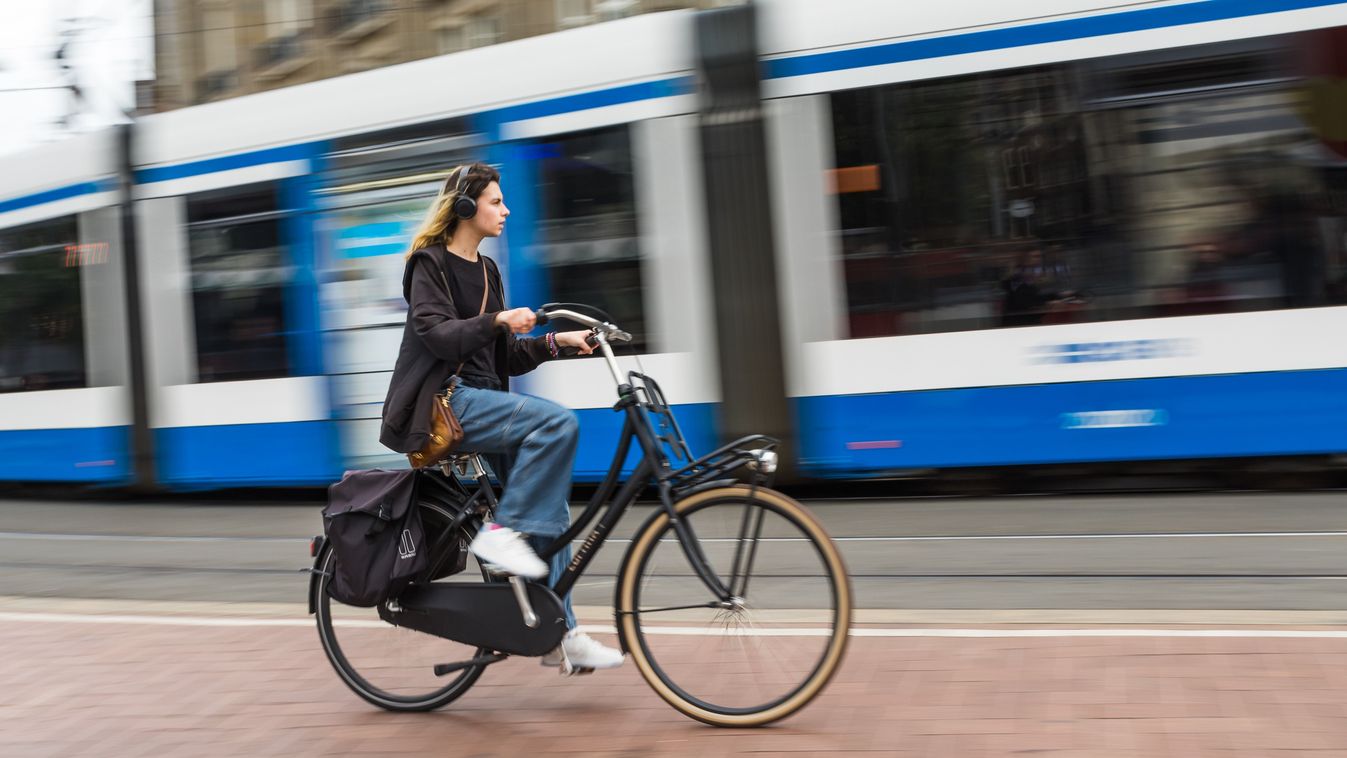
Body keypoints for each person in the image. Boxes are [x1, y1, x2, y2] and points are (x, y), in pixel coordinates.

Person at [379, 162, 623, 671]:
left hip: (485, 400)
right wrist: (496, 319)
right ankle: (501, 534)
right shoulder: (430, 264)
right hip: (449, 401)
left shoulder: (488, 271)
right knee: (557, 423)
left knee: (553, 516)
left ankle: (565, 636)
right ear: (465, 208)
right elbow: (439, 335)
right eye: (495, 201)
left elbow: (504, 356)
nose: (506, 210)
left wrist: (557, 342)